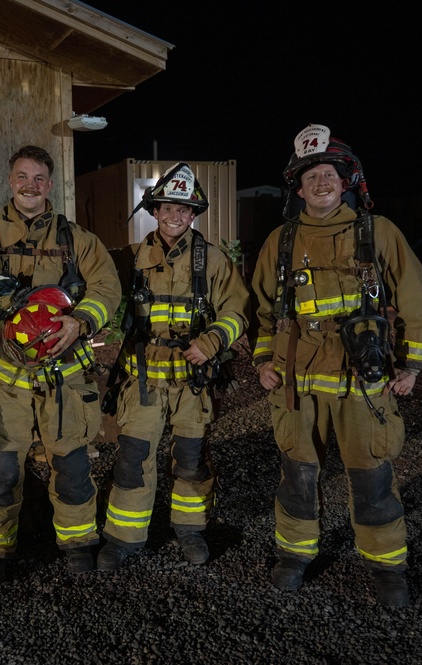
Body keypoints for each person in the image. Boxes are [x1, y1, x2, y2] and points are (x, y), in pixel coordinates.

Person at [250, 124, 422, 607]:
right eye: (311, 177)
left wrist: (410, 366)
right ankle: (294, 554)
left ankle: (387, 564)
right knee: (298, 471)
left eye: (329, 174)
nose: (321, 183)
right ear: (299, 186)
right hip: (297, 381)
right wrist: (264, 362)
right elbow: (262, 311)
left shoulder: (380, 232)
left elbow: (416, 303)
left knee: (371, 473)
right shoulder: (280, 241)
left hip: (362, 377)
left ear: (347, 179)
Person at [0, 145, 121, 587]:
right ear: (11, 181)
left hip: (65, 376)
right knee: (0, 468)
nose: (30, 185)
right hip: (6, 382)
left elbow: (107, 287)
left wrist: (81, 320)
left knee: (73, 465)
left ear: (50, 183)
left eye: (39, 178)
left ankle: (78, 543)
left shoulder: (75, 239)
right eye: (22, 177)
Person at [96, 163, 249, 570]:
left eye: (184, 209)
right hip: (143, 380)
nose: (175, 216)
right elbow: (95, 283)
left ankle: (190, 529)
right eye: (168, 207)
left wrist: (213, 340)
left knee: (191, 460)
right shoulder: (129, 258)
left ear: (194, 214)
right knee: (132, 459)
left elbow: (238, 309)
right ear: (155, 209)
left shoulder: (212, 260)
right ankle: (124, 538)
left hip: (191, 384)